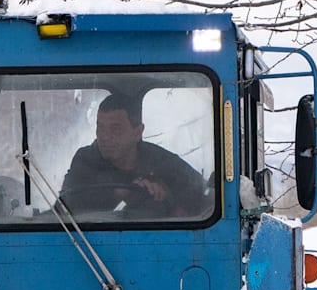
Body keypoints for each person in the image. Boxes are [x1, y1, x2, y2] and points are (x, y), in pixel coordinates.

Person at [58, 91, 210, 219]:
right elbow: (68, 206)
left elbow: (202, 192)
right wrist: (119, 193)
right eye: (100, 128)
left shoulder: (159, 160)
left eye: (115, 129)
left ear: (138, 132)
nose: (105, 137)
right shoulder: (86, 160)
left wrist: (169, 199)